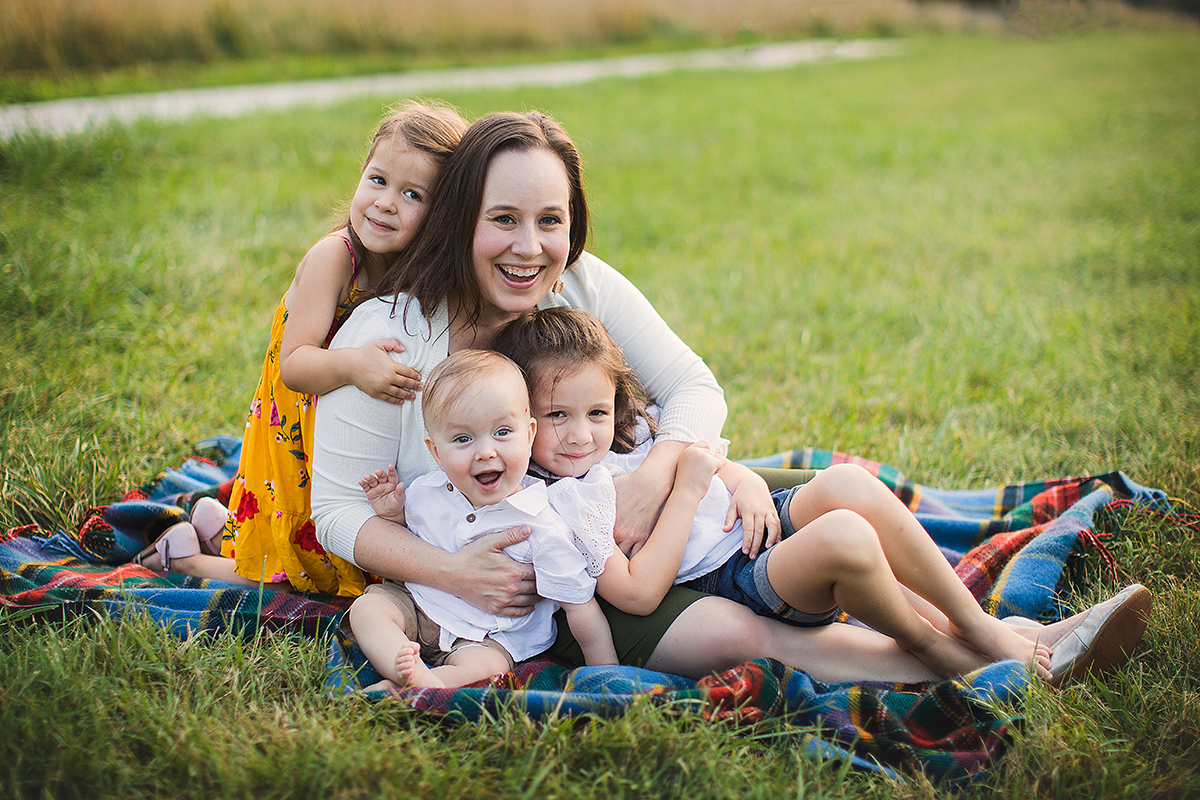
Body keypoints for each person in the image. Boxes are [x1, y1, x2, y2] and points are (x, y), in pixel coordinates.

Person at [308, 109, 1142, 684]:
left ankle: (1002, 637)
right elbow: (339, 511)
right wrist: (457, 570)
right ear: (460, 220)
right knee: (746, 628)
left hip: (656, 509)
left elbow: (692, 387)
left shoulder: (578, 286)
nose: (531, 249)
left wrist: (677, 462)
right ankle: (993, 660)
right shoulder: (388, 338)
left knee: (837, 496)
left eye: (551, 220)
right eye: (504, 221)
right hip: (566, 578)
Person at [494, 307, 1059, 680]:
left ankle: (978, 626)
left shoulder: (633, 432)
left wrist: (749, 484)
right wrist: (688, 490)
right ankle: (939, 650)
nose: (579, 434)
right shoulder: (567, 502)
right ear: (525, 419)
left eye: (594, 412)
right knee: (845, 537)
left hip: (752, 527)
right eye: (556, 416)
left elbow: (716, 463)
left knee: (847, 484)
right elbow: (640, 594)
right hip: (730, 577)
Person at [133, 101, 469, 595]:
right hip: (298, 419)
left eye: (412, 194)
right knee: (302, 572)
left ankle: (215, 526)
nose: (385, 202)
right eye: (377, 180)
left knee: (313, 541)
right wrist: (355, 365)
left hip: (335, 419)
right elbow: (295, 365)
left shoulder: (413, 270)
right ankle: (184, 558)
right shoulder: (335, 257)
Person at [349, 350, 616, 690]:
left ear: (530, 434)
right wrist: (392, 515)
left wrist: (606, 672)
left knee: (484, 665)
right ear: (435, 452)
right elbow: (415, 535)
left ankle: (424, 683)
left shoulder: (542, 527)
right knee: (369, 608)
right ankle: (401, 663)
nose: (486, 451)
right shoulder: (425, 492)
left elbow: (580, 609)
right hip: (418, 606)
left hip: (490, 635)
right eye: (463, 439)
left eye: (503, 432)